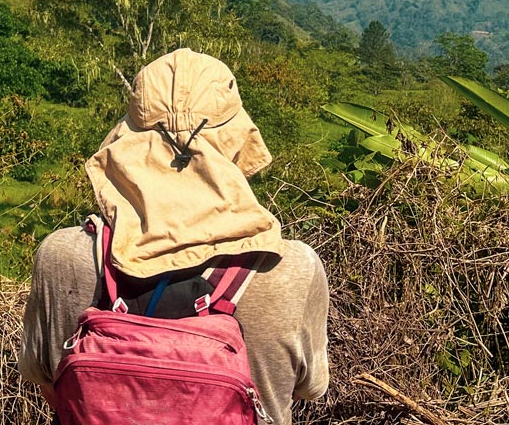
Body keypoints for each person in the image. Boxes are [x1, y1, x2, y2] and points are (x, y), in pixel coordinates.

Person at [19, 48, 329, 425]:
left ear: (126, 143)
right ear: (234, 140)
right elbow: (310, 389)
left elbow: (48, 383)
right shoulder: (291, 269)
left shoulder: (63, 258)